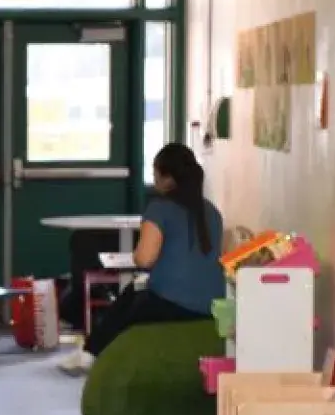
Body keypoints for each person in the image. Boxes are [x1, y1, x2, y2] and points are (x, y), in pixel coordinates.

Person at [60, 142, 225, 374]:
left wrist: (140, 256)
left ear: (168, 177)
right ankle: (90, 351)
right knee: (133, 295)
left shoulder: (160, 208)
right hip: (211, 303)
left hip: (171, 304)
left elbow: (145, 259)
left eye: (156, 173)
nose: (154, 179)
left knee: (128, 299)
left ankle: (91, 353)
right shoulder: (212, 212)